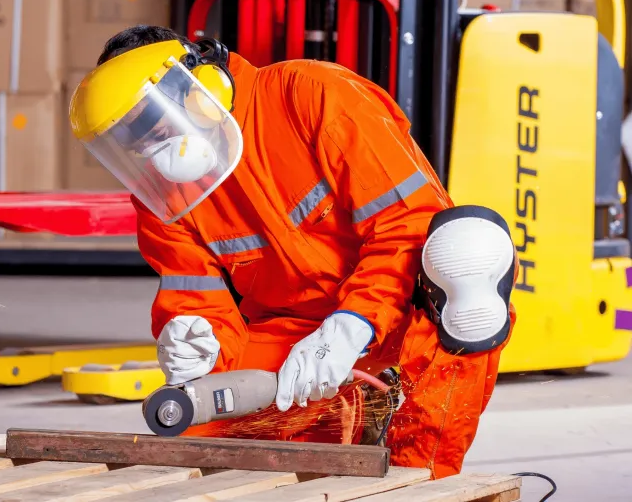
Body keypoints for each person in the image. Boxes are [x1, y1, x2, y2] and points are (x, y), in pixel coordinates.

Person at [68, 25, 519, 479]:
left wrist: (352, 325)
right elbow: (194, 293)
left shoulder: (314, 95)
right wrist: (193, 338)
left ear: (199, 88)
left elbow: (408, 226)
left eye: (150, 123)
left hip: (400, 308)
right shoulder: (163, 194)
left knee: (468, 257)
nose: (148, 148)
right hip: (295, 334)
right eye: (130, 139)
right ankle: (361, 411)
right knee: (192, 426)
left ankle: (417, 477)